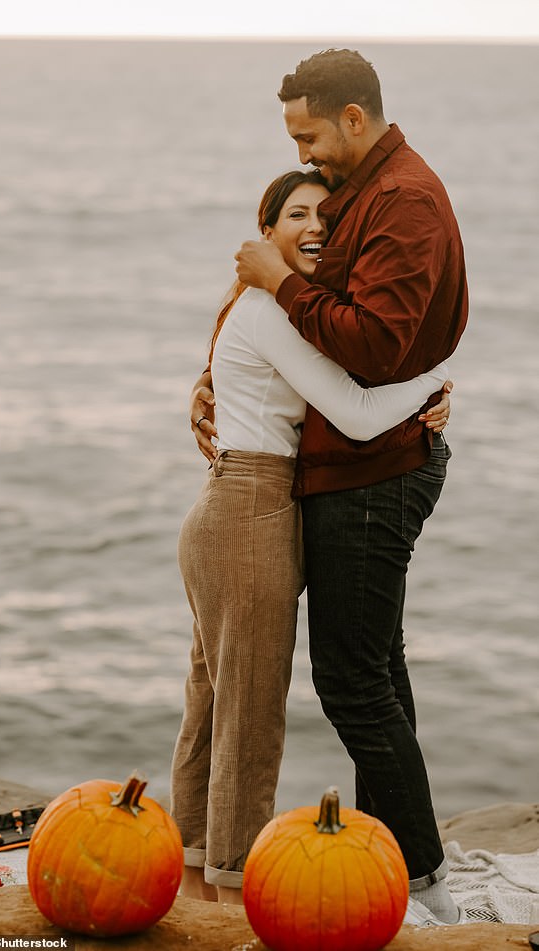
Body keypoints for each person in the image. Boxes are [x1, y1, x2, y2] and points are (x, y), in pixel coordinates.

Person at [224, 49, 469, 925]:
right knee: (376, 669)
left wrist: (282, 282)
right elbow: (341, 337)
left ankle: (421, 879)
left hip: (375, 469)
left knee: (351, 680)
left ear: (354, 119)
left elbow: (372, 345)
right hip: (358, 461)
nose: (307, 153)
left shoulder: (401, 200)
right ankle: (402, 865)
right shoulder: (366, 195)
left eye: (310, 135)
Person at [173, 168, 452, 906]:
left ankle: (195, 869)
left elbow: (353, 372)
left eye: (327, 215)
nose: (315, 226)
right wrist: (434, 382)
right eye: (297, 214)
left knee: (213, 700)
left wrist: (419, 392)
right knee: (250, 712)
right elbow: (357, 414)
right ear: (265, 232)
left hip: (237, 504)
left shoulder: (274, 310)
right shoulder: (270, 309)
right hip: (251, 509)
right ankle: (232, 893)